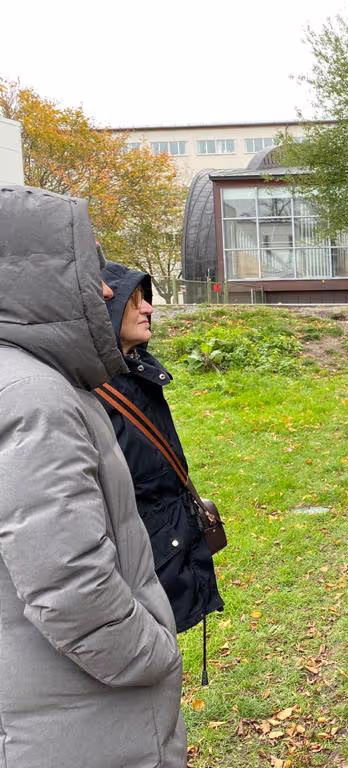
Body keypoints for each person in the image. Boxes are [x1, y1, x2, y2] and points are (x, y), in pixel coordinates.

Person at [0, 186, 185, 766]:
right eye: (88, 269)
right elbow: (70, 584)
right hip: (85, 716)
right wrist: (151, 651)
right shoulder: (35, 398)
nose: (106, 289)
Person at [98, 262, 223, 637]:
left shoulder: (138, 373)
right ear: (106, 311)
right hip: (133, 571)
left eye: (146, 300)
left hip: (165, 554)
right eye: (134, 301)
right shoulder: (93, 393)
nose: (149, 309)